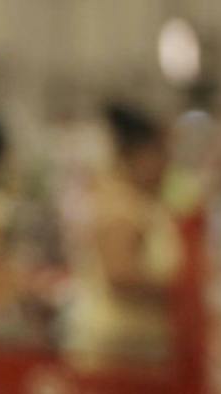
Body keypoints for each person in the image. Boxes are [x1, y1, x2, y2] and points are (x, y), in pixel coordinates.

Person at [66, 102, 183, 370]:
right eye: (162, 155)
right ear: (140, 155)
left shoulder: (137, 201)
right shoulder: (122, 206)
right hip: (119, 349)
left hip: (137, 346)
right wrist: (178, 288)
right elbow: (119, 274)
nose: (167, 164)